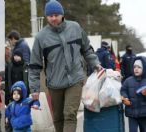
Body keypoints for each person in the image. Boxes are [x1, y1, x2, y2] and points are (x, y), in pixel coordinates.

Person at [28, 1, 102, 132]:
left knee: (70, 114)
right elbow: (34, 65)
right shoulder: (41, 37)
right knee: (58, 117)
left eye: (56, 15)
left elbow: (87, 49)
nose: (54, 18)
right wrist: (34, 88)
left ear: (62, 14)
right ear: (46, 17)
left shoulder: (75, 28)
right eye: (50, 16)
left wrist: (95, 64)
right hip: (54, 83)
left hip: (75, 79)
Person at [121, 56, 146, 132]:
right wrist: (125, 98)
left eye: (139, 67)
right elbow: (123, 90)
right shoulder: (128, 81)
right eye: (134, 67)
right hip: (131, 112)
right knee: (132, 130)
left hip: (144, 114)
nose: (136, 69)